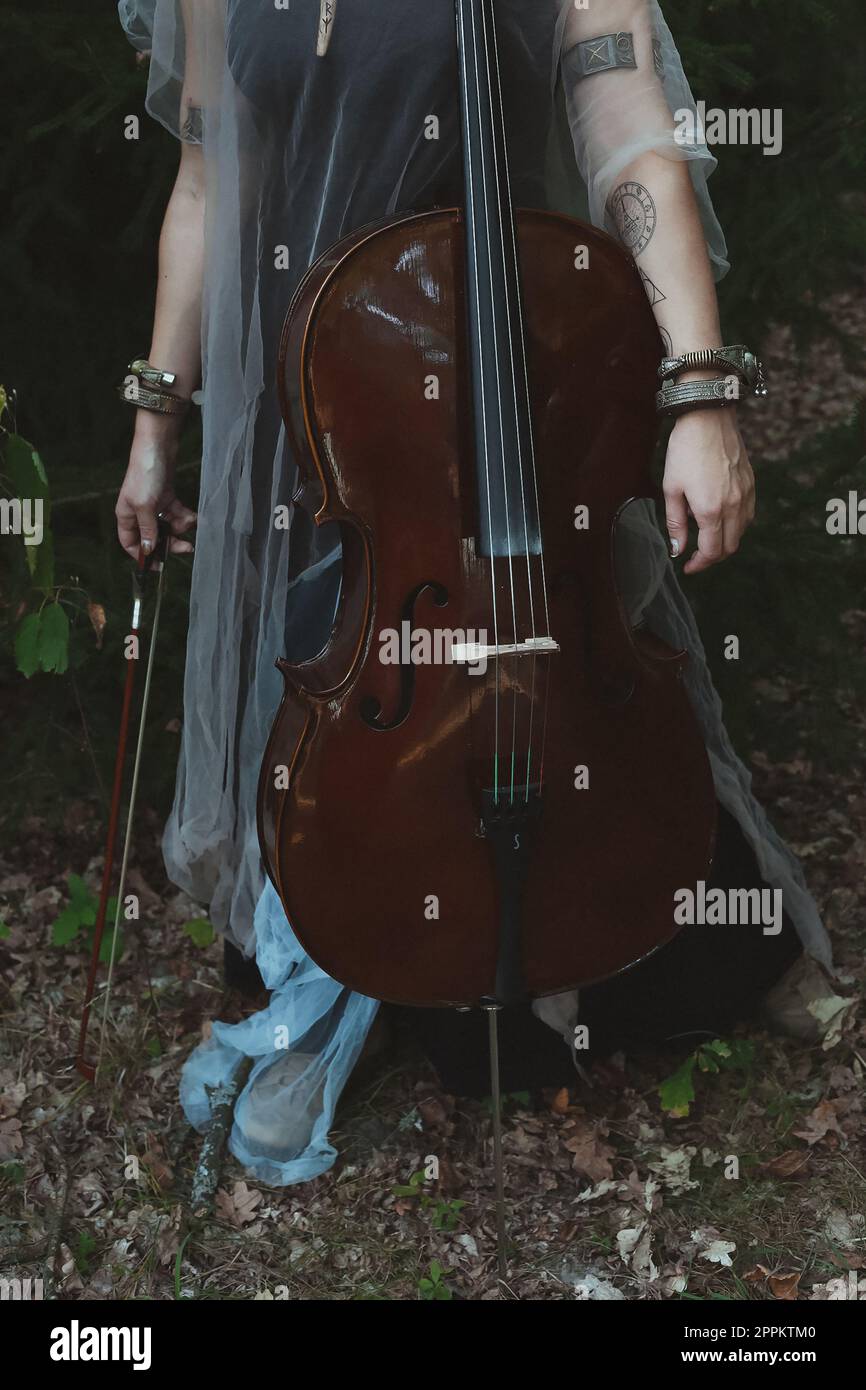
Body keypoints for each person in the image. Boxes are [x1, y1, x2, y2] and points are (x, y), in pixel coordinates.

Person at [114, 0, 830, 1185]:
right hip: (315, 407)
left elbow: (625, 129)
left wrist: (698, 389)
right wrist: (155, 418)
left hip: (495, 393)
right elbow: (205, 181)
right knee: (341, 683)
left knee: (544, 658)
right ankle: (362, 929)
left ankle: (589, 926)